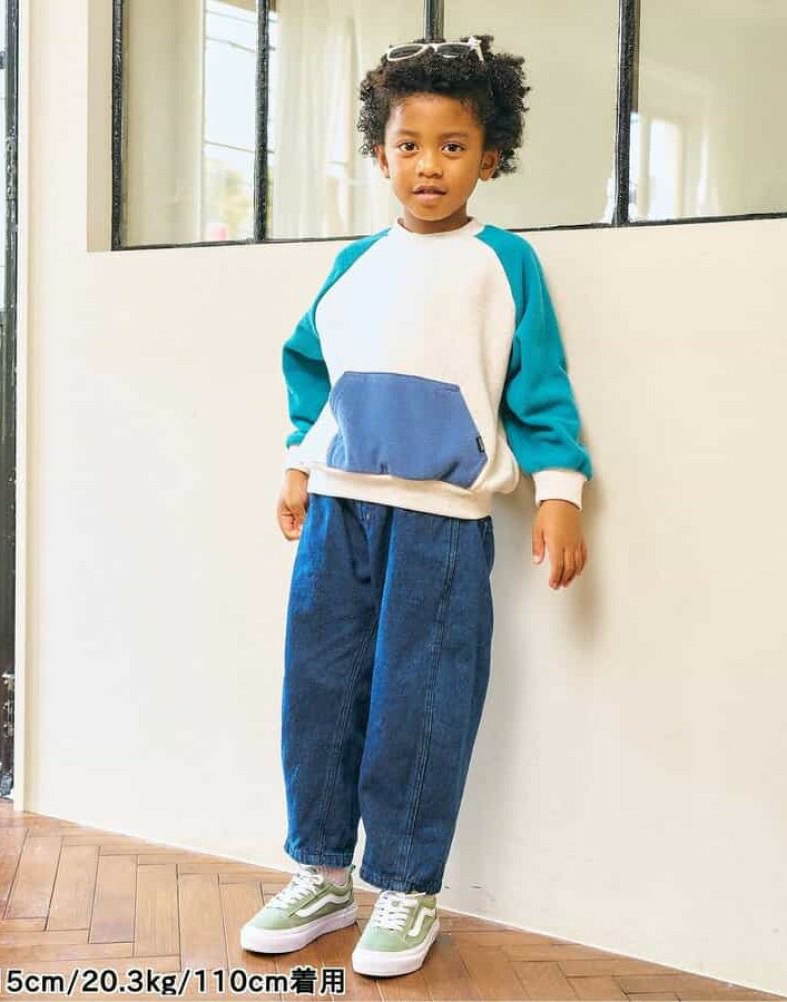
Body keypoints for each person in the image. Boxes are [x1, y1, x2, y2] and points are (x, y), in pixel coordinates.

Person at [240, 33, 593, 979]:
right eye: (408, 144)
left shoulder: (503, 264)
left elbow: (540, 388)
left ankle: (405, 885)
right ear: (380, 152)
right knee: (319, 690)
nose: (428, 165)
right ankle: (321, 872)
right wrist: (300, 465)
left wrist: (559, 494)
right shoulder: (356, 262)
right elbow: (312, 371)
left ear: (491, 157)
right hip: (338, 512)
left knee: (423, 700)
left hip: (443, 522)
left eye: (452, 146)